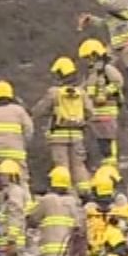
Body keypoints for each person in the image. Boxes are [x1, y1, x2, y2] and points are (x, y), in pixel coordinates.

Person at [28, 167, 83, 256]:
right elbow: (79, 224)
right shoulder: (72, 202)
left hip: (52, 246)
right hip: (69, 246)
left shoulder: (47, 200)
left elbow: (33, 217)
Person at [32, 56, 91, 190]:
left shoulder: (54, 92)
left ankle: (67, 193)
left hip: (58, 135)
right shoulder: (81, 93)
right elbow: (90, 112)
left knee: (62, 166)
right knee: (79, 165)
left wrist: (34, 114)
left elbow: (40, 109)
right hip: (77, 135)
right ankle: (85, 192)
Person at [79, 38, 126, 167]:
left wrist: (105, 93)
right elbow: (84, 88)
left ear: (95, 54)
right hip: (95, 112)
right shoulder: (90, 73)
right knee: (101, 140)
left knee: (109, 138)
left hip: (107, 110)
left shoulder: (107, 69)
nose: (87, 60)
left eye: (88, 57)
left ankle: (111, 164)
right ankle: (105, 163)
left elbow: (118, 82)